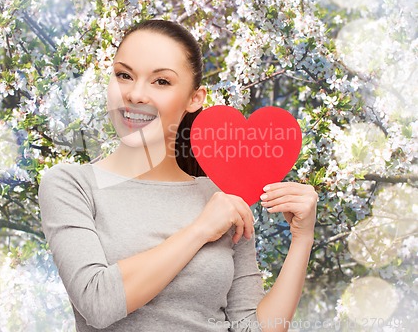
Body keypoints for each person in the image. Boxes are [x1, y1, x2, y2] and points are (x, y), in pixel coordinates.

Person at [37, 19, 318, 331]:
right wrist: (200, 229)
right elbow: (98, 303)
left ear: (194, 98)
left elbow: (251, 327)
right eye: (124, 76)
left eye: (161, 82)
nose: (136, 94)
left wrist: (302, 239)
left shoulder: (223, 196)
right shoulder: (71, 185)